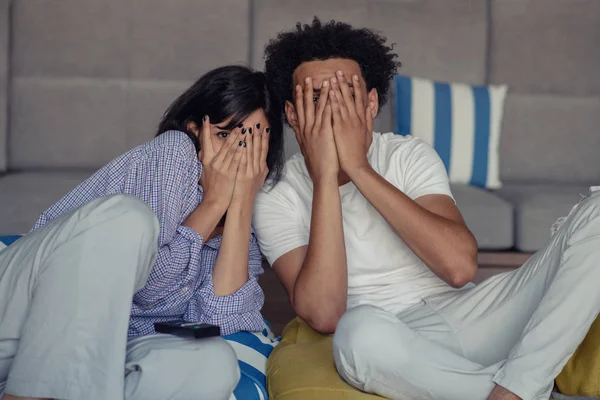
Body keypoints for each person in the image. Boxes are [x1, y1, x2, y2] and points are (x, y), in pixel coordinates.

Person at [252, 17, 600, 400]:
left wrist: (359, 169)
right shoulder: (277, 193)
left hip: (474, 316)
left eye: (346, 95)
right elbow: (324, 314)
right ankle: (526, 390)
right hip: (390, 341)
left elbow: (458, 268)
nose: (332, 110)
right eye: (316, 98)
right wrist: (326, 179)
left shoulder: (407, 154)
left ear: (370, 104)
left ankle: (517, 385)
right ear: (293, 114)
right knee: (357, 334)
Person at [0, 65, 284, 400]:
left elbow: (225, 321)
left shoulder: (250, 208)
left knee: (214, 362)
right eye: (224, 135)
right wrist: (214, 202)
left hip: (94, 356)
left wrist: (238, 206)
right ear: (196, 129)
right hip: (25, 309)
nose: (238, 155)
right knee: (128, 217)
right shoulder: (175, 152)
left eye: (251, 142)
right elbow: (147, 291)